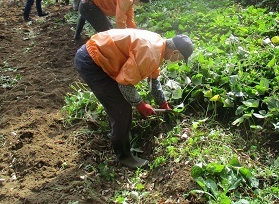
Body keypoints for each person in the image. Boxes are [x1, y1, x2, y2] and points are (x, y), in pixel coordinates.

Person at [74, 29, 194, 169]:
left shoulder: (158, 45)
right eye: (180, 59)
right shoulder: (150, 53)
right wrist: (140, 105)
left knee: (118, 105)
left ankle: (117, 132)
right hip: (92, 62)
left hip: (100, 55)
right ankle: (124, 156)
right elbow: (124, 84)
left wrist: (163, 103)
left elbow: (153, 81)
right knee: (122, 110)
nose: (178, 62)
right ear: (175, 52)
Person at [73, 0, 151, 40]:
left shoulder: (130, 0)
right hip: (88, 5)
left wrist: (136, 35)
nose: (141, 6)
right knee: (108, 33)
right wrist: (125, 37)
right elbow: (120, 20)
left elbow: (129, 20)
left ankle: (78, 37)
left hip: (91, 4)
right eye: (141, 4)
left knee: (110, 29)